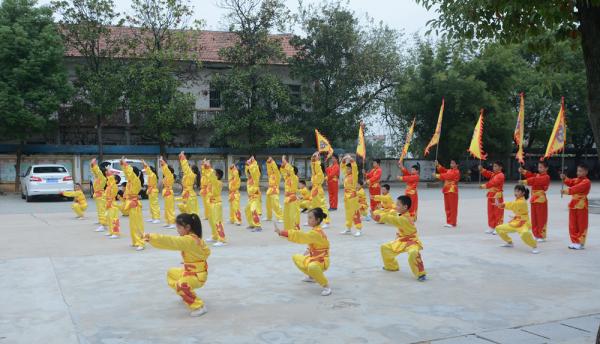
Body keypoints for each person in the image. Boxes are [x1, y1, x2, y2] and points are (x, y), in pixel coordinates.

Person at [143, 213, 210, 317]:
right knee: (171, 273)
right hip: (190, 273)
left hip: (197, 276)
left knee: (181, 285)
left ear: (187, 227)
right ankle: (185, 294)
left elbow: (171, 241)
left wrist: (151, 237)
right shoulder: (191, 238)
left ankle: (199, 306)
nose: (177, 230)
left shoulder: (189, 240)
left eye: (179, 227)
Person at [274, 208, 332, 296]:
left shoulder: (316, 232)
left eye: (310, 218)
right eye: (308, 217)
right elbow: (312, 243)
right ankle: (312, 276)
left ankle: (326, 286)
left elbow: (301, 236)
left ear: (317, 220)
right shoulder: (315, 231)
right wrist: (308, 250)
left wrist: (282, 232)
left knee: (312, 267)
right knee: (296, 257)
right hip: (314, 258)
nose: (308, 220)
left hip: (322, 261)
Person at [373, 195, 427, 282]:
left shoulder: (405, 219)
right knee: (385, 248)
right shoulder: (401, 213)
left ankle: (421, 273)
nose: (395, 206)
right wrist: (380, 211)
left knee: (413, 253)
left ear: (405, 207)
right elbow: (393, 213)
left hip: (411, 241)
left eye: (398, 205)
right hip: (401, 240)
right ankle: (391, 266)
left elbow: (392, 219)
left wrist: (380, 217)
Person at [495, 185, 540, 254]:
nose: (516, 193)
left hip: (523, 222)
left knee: (525, 233)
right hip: (515, 221)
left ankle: (534, 246)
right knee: (498, 228)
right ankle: (509, 242)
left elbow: (512, 205)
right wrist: (500, 204)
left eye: (518, 191)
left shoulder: (522, 201)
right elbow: (512, 205)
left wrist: (500, 204)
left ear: (523, 193)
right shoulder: (518, 200)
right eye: (515, 191)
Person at [561, 164, 591, 250]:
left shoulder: (586, 182)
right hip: (573, 204)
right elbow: (570, 182)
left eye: (581, 171)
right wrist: (564, 178)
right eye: (578, 171)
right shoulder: (576, 179)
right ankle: (574, 241)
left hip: (581, 205)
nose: (578, 173)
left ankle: (580, 242)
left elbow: (577, 188)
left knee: (581, 224)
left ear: (586, 172)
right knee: (572, 224)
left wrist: (566, 191)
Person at [519, 161, 550, 241]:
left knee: (541, 218)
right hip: (534, 199)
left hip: (541, 200)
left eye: (541, 167)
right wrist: (523, 171)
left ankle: (542, 235)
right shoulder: (537, 175)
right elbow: (531, 175)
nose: (539, 169)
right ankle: (536, 234)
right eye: (539, 167)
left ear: (546, 168)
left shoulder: (546, 177)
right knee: (534, 218)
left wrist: (525, 181)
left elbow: (536, 180)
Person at [121, 157, 145, 251]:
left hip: (135, 204)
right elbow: (128, 173)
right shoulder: (130, 182)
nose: (128, 175)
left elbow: (130, 173)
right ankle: (135, 241)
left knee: (138, 225)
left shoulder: (136, 181)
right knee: (132, 225)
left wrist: (126, 164)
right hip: (131, 204)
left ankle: (141, 242)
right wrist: (123, 165)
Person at [202, 160, 226, 247]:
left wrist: (209, 167)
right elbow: (208, 176)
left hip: (217, 204)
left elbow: (211, 177)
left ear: (217, 176)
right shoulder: (212, 182)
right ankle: (214, 235)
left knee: (218, 221)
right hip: (212, 203)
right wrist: (205, 167)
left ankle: (221, 239)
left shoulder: (218, 183)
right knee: (211, 220)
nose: (212, 174)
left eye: (215, 173)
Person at [340, 154, 362, 236]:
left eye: (349, 169)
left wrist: (351, 160)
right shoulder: (346, 175)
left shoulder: (354, 175)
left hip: (353, 196)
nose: (347, 170)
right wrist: (344, 159)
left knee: (355, 212)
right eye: (347, 168)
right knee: (348, 213)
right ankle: (348, 228)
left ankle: (358, 228)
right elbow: (342, 167)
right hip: (346, 196)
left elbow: (355, 168)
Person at [480, 162, 505, 234]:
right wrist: (482, 170)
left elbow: (493, 182)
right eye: (494, 166)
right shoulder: (494, 174)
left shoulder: (500, 175)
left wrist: (484, 186)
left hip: (497, 196)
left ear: (500, 167)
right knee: (490, 212)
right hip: (491, 195)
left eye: (496, 166)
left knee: (498, 212)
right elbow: (488, 174)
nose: (494, 168)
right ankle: (491, 226)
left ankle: (499, 227)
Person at [434, 159, 460, 228]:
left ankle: (453, 222)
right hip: (447, 190)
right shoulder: (449, 170)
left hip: (452, 190)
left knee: (452, 207)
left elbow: (447, 176)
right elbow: (443, 170)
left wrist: (437, 176)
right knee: (447, 207)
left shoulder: (456, 171)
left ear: (457, 165)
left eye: (453, 163)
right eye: (451, 163)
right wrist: (438, 165)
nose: (451, 164)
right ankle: (449, 221)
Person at [308, 152, 330, 228]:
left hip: (318, 190)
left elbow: (317, 167)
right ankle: (313, 220)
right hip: (314, 190)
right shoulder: (315, 174)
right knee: (313, 206)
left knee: (322, 206)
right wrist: (312, 159)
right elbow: (313, 168)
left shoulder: (320, 174)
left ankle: (326, 221)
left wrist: (317, 160)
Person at [280, 155, 300, 230]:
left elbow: (290, 171)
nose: (287, 171)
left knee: (292, 215)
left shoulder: (295, 178)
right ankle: (287, 229)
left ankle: (294, 229)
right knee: (286, 215)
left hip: (293, 199)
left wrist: (285, 161)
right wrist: (282, 166)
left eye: (288, 171)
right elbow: (283, 172)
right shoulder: (287, 178)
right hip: (287, 198)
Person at [177, 152, 199, 216]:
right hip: (187, 192)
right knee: (186, 208)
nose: (189, 168)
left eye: (190, 168)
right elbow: (185, 168)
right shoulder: (190, 175)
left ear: (193, 170)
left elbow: (185, 167)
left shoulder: (191, 174)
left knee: (189, 209)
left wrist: (182, 157)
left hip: (189, 194)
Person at [245, 156, 262, 231]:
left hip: (255, 197)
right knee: (247, 210)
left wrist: (253, 162)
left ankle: (258, 226)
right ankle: (252, 224)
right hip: (250, 198)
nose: (248, 174)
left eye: (249, 173)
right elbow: (247, 170)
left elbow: (255, 171)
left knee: (253, 210)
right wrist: (248, 164)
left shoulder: (255, 178)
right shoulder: (249, 179)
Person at [90, 158, 107, 231]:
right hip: (98, 196)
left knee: (102, 210)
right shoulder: (98, 178)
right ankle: (101, 221)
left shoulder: (102, 178)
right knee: (99, 210)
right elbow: (95, 172)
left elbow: (98, 172)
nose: (96, 174)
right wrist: (92, 165)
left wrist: (95, 165)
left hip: (101, 196)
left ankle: (103, 225)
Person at [265, 157, 283, 222]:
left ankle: (280, 217)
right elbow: (268, 170)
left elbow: (275, 169)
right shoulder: (271, 174)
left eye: (273, 168)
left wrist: (272, 161)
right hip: (269, 190)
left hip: (274, 191)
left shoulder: (278, 175)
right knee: (268, 205)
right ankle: (268, 217)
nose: (272, 169)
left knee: (276, 205)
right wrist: (268, 163)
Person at [160, 157, 176, 229]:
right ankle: (168, 221)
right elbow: (164, 170)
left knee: (170, 208)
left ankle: (172, 222)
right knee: (167, 208)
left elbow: (166, 170)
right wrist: (162, 164)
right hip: (166, 193)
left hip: (169, 193)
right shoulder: (167, 176)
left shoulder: (170, 175)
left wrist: (163, 162)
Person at [103, 173, 121, 239]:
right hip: (108, 203)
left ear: (115, 181)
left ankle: (115, 233)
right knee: (109, 218)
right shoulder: (109, 186)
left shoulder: (114, 186)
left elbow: (112, 195)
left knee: (114, 219)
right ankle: (111, 231)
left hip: (112, 204)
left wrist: (109, 171)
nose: (110, 178)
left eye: (113, 178)